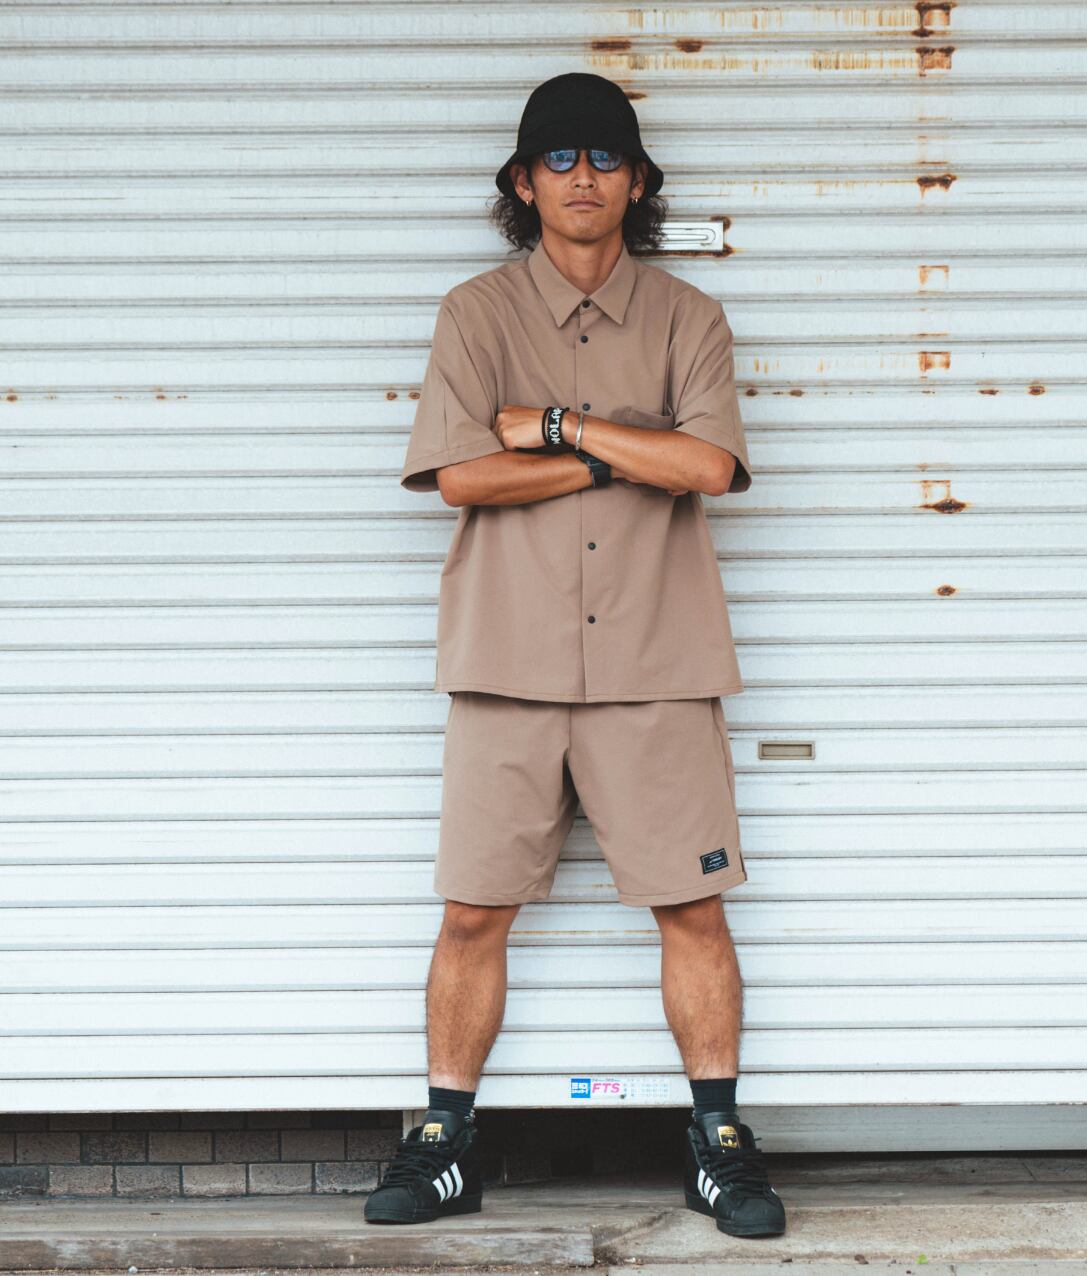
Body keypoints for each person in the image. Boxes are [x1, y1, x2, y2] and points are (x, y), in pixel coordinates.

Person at [364, 72, 786, 1240]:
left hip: (659, 662)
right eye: (558, 159)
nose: (582, 177)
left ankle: (721, 1144)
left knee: (692, 909)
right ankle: (444, 1143)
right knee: (471, 913)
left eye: (605, 158)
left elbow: (708, 467)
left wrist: (556, 429)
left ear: (638, 182)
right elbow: (460, 476)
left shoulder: (689, 319)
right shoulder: (476, 315)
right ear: (521, 181)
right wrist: (627, 451)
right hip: (507, 662)